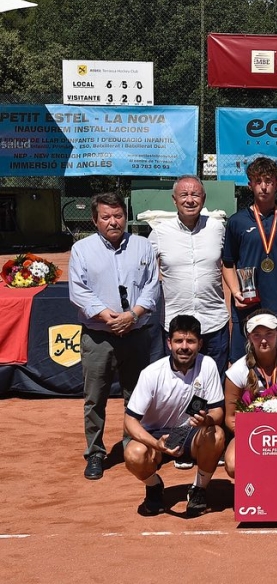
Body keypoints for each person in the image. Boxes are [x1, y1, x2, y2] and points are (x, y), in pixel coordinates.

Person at [69, 192, 160, 481]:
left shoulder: (144, 246)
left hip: (136, 333)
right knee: (95, 398)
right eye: (106, 217)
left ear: (125, 216)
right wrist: (108, 317)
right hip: (99, 337)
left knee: (137, 395)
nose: (113, 222)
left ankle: (130, 445)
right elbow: (79, 291)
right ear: (95, 220)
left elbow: (152, 286)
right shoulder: (81, 250)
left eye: (118, 215)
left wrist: (132, 315)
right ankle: (95, 453)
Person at [123, 314, 225, 516]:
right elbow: (129, 420)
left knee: (217, 434)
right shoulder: (151, 373)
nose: (184, 347)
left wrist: (207, 420)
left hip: (191, 433)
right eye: (179, 341)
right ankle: (153, 487)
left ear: (200, 344)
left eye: (191, 341)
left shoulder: (208, 365)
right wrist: (155, 444)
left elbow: (218, 411)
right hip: (155, 434)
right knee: (133, 454)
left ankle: (198, 489)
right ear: (169, 343)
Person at [149, 175, 229, 381]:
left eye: (195, 194)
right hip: (175, 325)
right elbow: (143, 271)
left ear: (204, 198)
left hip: (214, 322)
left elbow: (230, 264)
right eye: (184, 195)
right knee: (177, 384)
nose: (190, 200)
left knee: (214, 384)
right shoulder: (159, 233)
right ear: (174, 199)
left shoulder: (217, 228)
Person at [222, 157, 277, 365]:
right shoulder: (237, 221)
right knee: (243, 366)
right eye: (258, 181)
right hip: (248, 306)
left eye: (269, 180)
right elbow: (228, 263)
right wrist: (236, 292)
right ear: (249, 185)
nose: (263, 187)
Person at [222, 309, 277, 478]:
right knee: (233, 464)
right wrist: (255, 435)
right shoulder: (237, 371)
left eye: (269, 333)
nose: (263, 340)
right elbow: (230, 418)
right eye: (256, 335)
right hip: (254, 433)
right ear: (248, 337)